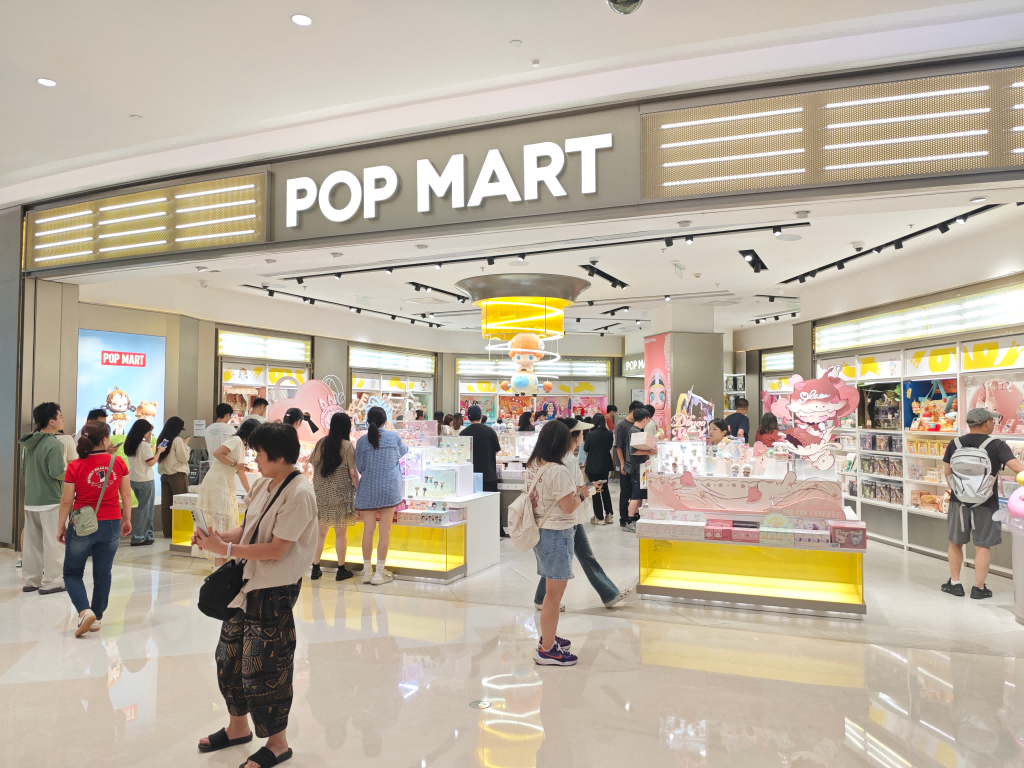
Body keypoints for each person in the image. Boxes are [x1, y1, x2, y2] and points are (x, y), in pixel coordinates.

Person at [194, 422, 317, 768]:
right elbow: (248, 528)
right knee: (229, 658)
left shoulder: (300, 494)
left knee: (265, 667)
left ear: (278, 456)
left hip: (274, 591)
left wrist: (226, 548)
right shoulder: (264, 483)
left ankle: (278, 744)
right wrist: (218, 538)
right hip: (246, 585)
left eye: (259, 454)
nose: (254, 460)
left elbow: (277, 550)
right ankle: (238, 728)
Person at [534, 418, 629, 614]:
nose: (584, 436)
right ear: (572, 436)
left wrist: (585, 490)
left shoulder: (549, 459)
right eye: (581, 433)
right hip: (565, 519)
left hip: (561, 519)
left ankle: (608, 594)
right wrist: (586, 491)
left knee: (568, 559)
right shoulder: (566, 461)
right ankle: (607, 594)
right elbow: (569, 495)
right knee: (566, 561)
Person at [524, 420, 589, 666]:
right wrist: (582, 494)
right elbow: (568, 506)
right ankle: (547, 650)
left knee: (552, 593)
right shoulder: (558, 471)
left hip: (542, 532)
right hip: (557, 533)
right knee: (554, 595)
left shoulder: (533, 465)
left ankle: (548, 638)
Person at [941, 407, 1024, 599]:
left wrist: (959, 491)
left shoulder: (954, 443)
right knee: (983, 545)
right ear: (986, 423)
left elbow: (947, 472)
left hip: (958, 501)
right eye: (993, 421)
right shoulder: (997, 445)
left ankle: (955, 584)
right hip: (986, 502)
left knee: (955, 542)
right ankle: (979, 588)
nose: (993, 424)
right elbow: (1017, 468)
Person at [59, 422, 132, 636]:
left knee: (72, 573)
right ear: (104, 440)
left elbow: (66, 500)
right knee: (103, 572)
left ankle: (84, 611)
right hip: (111, 523)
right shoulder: (118, 462)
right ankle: (97, 617)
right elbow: (126, 494)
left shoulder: (75, 465)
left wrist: (61, 525)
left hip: (82, 525)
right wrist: (127, 519)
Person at [354, 406, 408, 585]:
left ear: (367, 421)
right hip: (389, 489)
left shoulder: (361, 441)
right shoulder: (393, 437)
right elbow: (403, 451)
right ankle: (379, 573)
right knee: (385, 531)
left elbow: (360, 467)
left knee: (368, 531)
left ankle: (366, 572)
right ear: (385, 421)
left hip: (368, 489)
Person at [20, 402, 68, 595]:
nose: (63, 419)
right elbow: (56, 472)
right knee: (54, 542)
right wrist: (70, 474)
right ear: (51, 421)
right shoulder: (54, 444)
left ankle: (32, 580)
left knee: (32, 543)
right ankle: (53, 582)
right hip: (51, 500)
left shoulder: (28, 444)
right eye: (60, 416)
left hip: (31, 500)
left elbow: (24, 471)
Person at [196, 419, 258, 565]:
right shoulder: (235, 440)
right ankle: (218, 564)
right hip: (217, 483)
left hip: (225, 484)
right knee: (220, 521)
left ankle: (221, 562)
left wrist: (251, 494)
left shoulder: (241, 446)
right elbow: (217, 453)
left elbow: (241, 473)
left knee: (224, 521)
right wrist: (235, 464)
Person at [310, 412, 359, 581]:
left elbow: (314, 468)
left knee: (320, 534)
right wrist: (358, 490)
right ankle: (341, 569)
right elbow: (353, 473)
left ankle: (315, 568)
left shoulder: (321, 443)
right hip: (341, 495)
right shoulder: (347, 446)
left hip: (321, 494)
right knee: (340, 534)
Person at [460, 405, 503, 535]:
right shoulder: (490, 432)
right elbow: (496, 451)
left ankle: (475, 531)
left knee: (473, 506)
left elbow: (461, 455)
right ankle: (495, 531)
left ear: (468, 417)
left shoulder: (463, 433)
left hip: (469, 477)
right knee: (491, 505)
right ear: (481, 416)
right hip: (488, 474)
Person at [123, 419, 165, 546]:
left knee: (145, 508)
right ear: (144, 431)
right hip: (146, 480)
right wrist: (159, 451)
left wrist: (149, 436)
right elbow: (151, 462)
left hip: (134, 479)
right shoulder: (144, 446)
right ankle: (139, 536)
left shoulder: (130, 443)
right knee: (145, 509)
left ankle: (147, 534)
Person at [156, 417, 191, 539]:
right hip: (177, 475)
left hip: (164, 475)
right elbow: (183, 458)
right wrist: (185, 445)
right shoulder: (177, 440)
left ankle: (168, 532)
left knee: (166, 505)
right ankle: (181, 531)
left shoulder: (162, 439)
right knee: (181, 503)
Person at [613, 400, 645, 529]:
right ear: (633, 411)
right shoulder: (621, 425)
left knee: (635, 493)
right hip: (626, 464)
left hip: (637, 466)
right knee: (625, 492)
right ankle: (624, 519)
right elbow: (618, 446)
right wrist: (622, 463)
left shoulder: (638, 425)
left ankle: (633, 517)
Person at [626, 406, 656, 531]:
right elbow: (633, 451)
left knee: (638, 495)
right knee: (635, 496)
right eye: (648, 419)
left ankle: (636, 519)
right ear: (644, 419)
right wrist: (649, 452)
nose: (648, 422)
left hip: (639, 468)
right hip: (637, 468)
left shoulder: (636, 430)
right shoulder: (635, 432)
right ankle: (629, 521)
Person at [584, 413, 615, 524]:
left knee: (595, 489)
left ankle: (599, 517)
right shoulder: (609, 434)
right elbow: (609, 447)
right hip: (605, 465)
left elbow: (586, 448)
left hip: (592, 465)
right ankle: (609, 515)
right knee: (605, 488)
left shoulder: (590, 434)